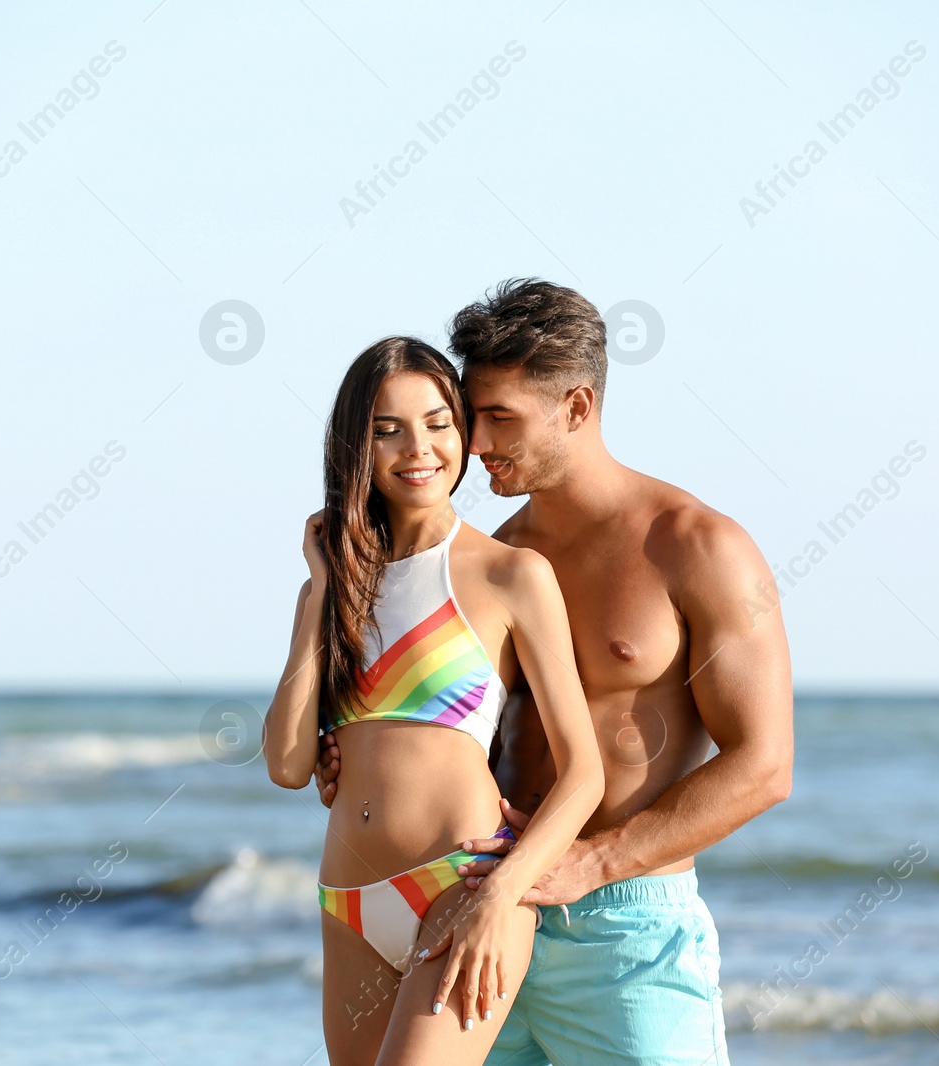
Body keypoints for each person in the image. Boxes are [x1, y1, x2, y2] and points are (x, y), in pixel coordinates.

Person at [314, 280, 795, 1065]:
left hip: (623, 927)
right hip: (476, 906)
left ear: (576, 407)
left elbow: (764, 766)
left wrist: (593, 862)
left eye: (500, 417)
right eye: (472, 416)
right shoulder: (485, 561)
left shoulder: (699, 547)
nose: (473, 442)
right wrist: (358, 757)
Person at [265, 336, 605, 1066]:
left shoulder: (511, 574)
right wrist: (321, 593)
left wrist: (501, 894)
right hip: (348, 901)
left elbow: (585, 774)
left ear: (461, 431)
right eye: (387, 430)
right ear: (357, 447)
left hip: (461, 887)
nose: (416, 448)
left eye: (436, 422)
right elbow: (290, 765)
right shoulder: (330, 589)